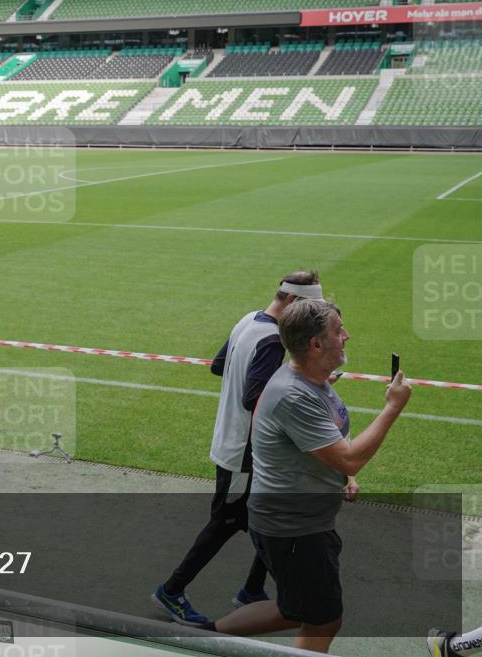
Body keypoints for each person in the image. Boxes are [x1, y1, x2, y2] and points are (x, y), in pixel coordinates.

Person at [206, 298, 411, 653]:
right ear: (315, 344)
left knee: (294, 609)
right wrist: (392, 408)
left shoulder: (313, 380)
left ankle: (203, 640)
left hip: (301, 523)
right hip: (294, 529)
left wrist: (341, 475)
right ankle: (203, 640)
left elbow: (330, 442)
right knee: (323, 619)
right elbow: (349, 459)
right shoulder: (294, 395)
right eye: (338, 330)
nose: (347, 335)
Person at [153, 271, 326, 626]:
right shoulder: (274, 340)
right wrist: (302, 387)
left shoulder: (248, 320)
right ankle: (171, 591)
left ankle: (251, 589)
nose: (312, 319)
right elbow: (253, 397)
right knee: (225, 523)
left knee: (269, 513)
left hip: (236, 443)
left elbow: (219, 366)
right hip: (242, 452)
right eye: (309, 309)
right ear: (292, 302)